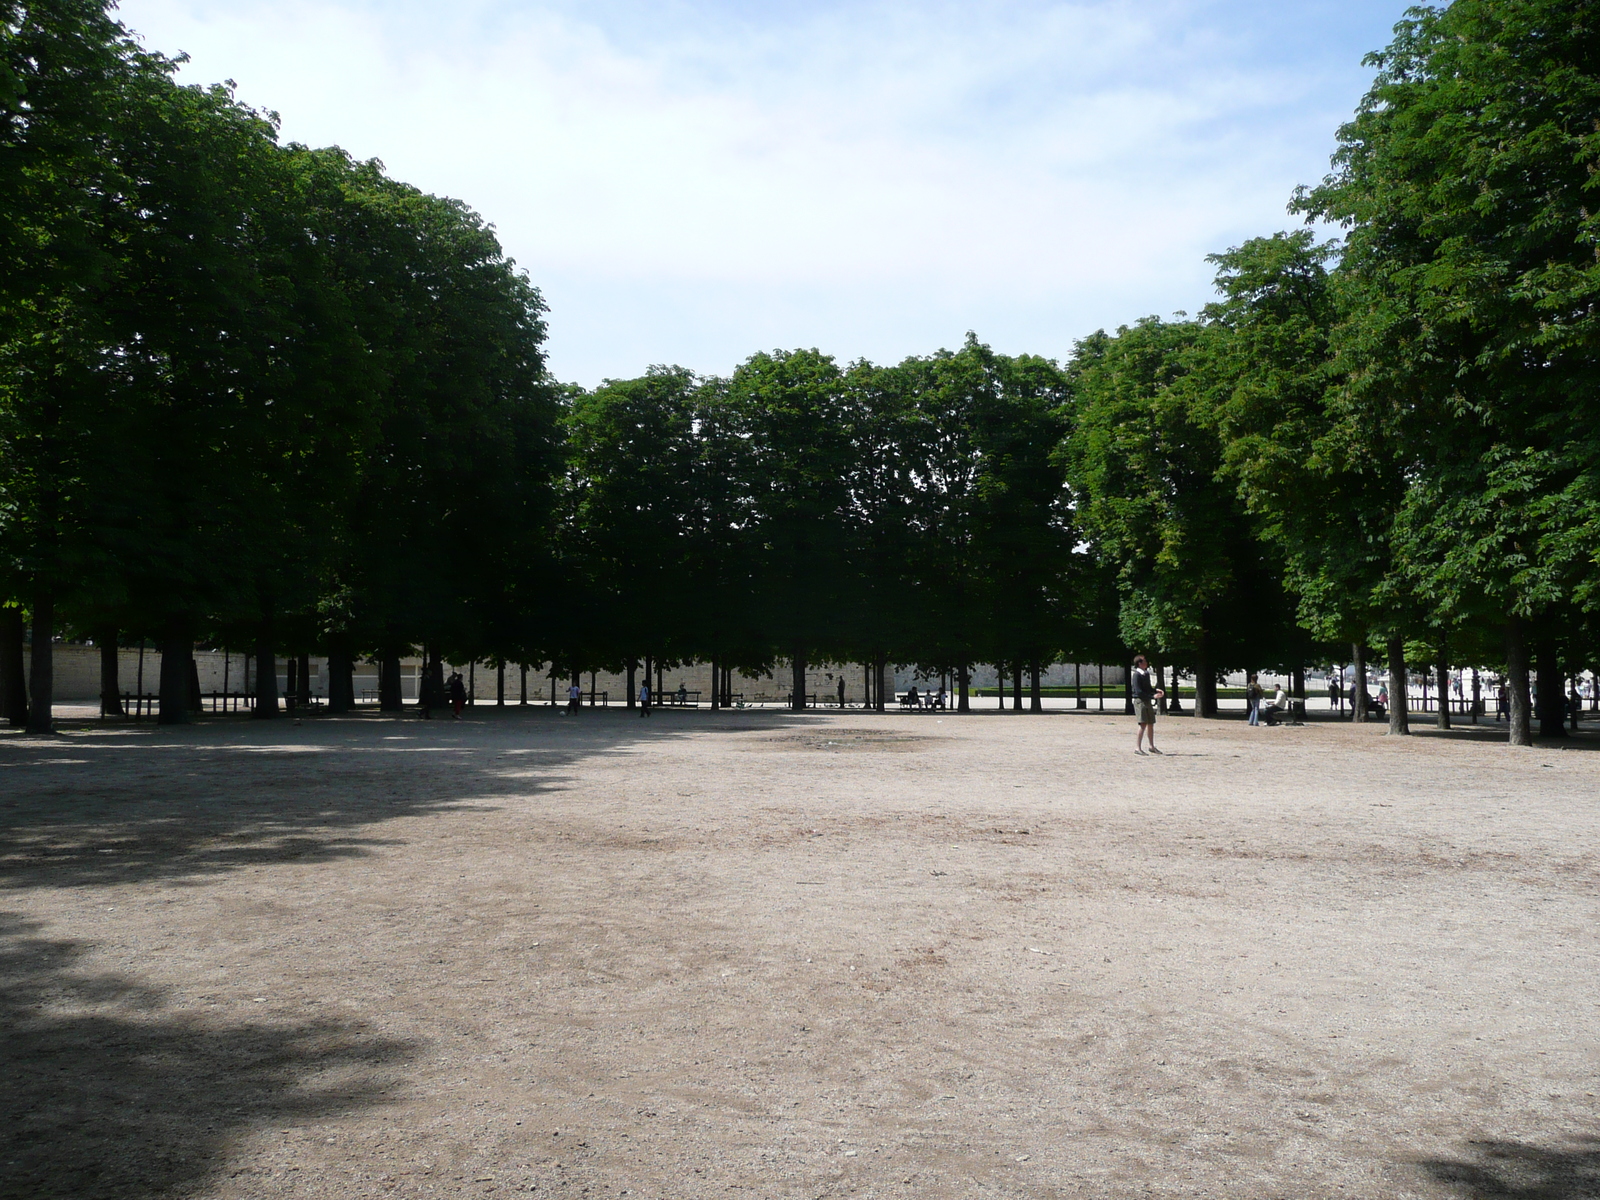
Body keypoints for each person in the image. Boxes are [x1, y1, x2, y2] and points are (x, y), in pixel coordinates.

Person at [1131, 655, 1163, 754]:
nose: (1147, 663)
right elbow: (1139, 691)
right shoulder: (1137, 675)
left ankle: (1151, 746)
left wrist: (1155, 691)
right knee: (1143, 724)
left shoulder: (1146, 674)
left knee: (1150, 723)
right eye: (1144, 661)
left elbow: (1147, 688)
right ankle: (1138, 748)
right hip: (1140, 701)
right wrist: (1153, 697)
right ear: (1139, 663)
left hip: (1147, 701)